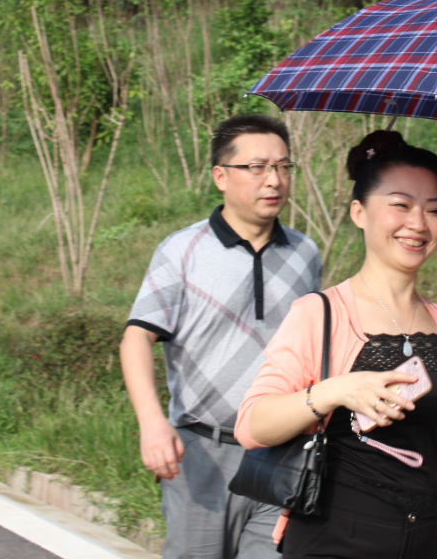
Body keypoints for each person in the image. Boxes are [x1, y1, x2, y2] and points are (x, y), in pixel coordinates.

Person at [234, 130, 437, 559]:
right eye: (400, 205)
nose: (418, 223)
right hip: (332, 540)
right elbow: (251, 425)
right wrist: (336, 391)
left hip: (425, 542)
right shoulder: (320, 313)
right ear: (359, 212)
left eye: (434, 210)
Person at [120, 114, 322, 559]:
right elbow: (136, 338)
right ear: (220, 177)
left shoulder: (305, 253)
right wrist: (151, 423)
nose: (274, 180)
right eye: (257, 167)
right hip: (202, 453)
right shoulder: (182, 251)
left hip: (282, 453)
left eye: (283, 167)